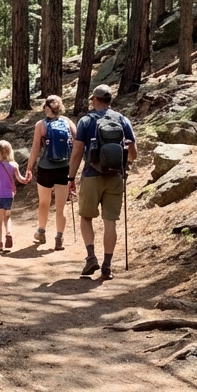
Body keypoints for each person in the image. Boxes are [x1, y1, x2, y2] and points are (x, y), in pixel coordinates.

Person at [68, 84, 137, 280]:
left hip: (91, 175)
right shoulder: (123, 120)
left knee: (86, 217)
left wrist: (71, 178)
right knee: (110, 222)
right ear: (110, 101)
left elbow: (77, 152)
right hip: (115, 177)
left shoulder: (86, 121)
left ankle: (91, 257)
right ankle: (107, 265)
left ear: (95, 100)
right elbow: (133, 155)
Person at [23, 95, 76, 251]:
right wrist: (74, 168)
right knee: (61, 206)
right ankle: (59, 237)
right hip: (64, 168)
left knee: (44, 203)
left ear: (46, 107)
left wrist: (29, 168)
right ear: (60, 107)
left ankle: (41, 231)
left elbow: (35, 149)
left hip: (46, 168)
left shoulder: (41, 125)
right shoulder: (68, 122)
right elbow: (77, 145)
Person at [0, 140, 31, 251]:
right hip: (9, 196)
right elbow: (21, 179)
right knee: (7, 218)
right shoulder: (14, 165)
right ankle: (8, 233)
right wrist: (27, 178)